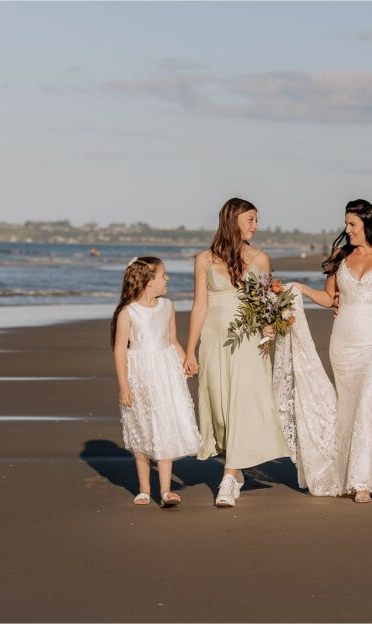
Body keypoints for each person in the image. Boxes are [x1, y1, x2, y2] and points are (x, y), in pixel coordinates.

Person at [292, 199, 372, 502]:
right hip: (343, 343)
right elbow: (328, 298)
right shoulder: (340, 256)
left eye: (353, 225)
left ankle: (362, 481)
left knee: (367, 407)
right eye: (346, 224)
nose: (347, 230)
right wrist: (300, 288)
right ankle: (346, 473)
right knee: (347, 409)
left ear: (368, 226)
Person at [183, 198, 290, 507]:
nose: (255, 226)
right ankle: (236, 462)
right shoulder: (204, 259)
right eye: (250, 220)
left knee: (242, 400)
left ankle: (229, 477)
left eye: (256, 220)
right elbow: (200, 305)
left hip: (248, 340)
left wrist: (270, 326)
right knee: (218, 402)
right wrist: (190, 350)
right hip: (215, 338)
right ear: (233, 221)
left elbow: (267, 304)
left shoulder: (260, 259)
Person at [111, 256, 200, 507]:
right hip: (139, 372)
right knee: (141, 424)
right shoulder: (128, 312)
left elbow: (172, 339)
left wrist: (186, 360)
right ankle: (143, 489)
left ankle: (165, 491)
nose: (167, 278)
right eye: (163, 275)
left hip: (165, 371)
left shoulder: (168, 306)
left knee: (164, 424)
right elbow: (119, 350)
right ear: (149, 281)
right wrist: (123, 385)